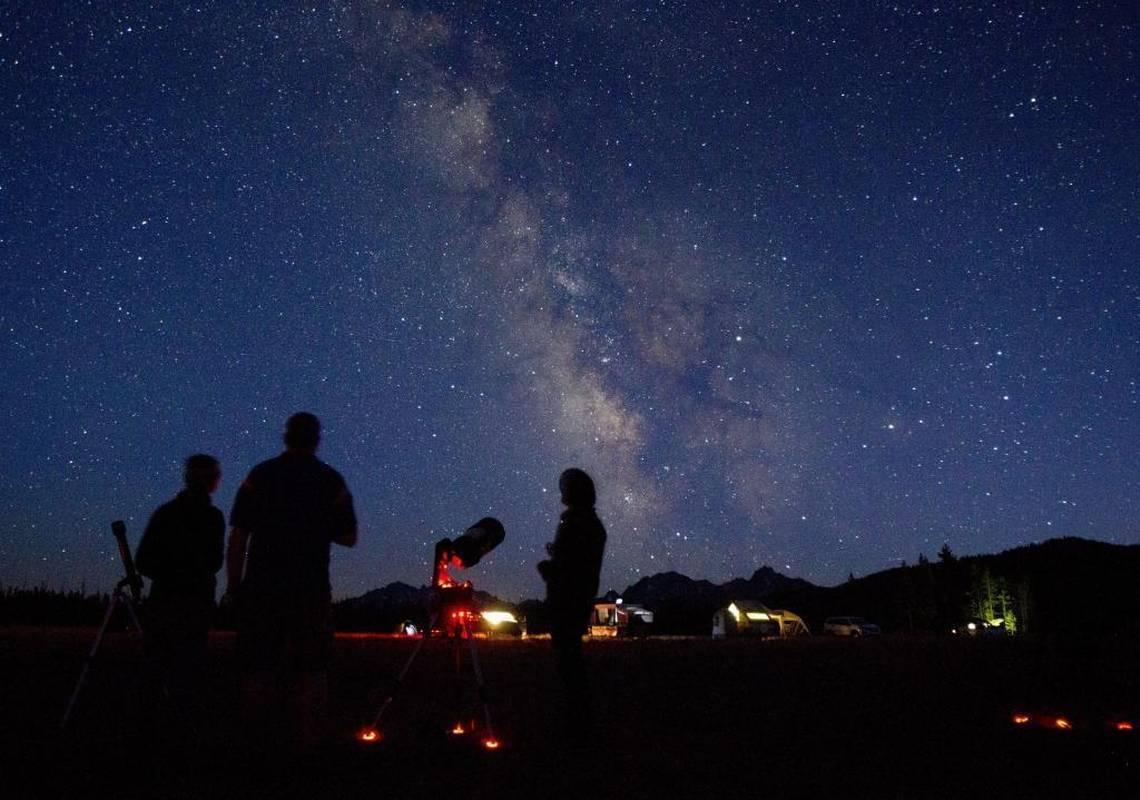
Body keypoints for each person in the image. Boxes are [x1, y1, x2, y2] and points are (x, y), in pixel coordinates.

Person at [225, 412, 357, 755]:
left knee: (257, 666)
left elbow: (238, 535)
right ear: (316, 438)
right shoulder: (331, 481)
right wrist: (314, 525)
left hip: (261, 587)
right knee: (312, 668)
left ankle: (253, 746)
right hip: (310, 588)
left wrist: (233, 585)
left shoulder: (260, 475)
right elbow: (349, 536)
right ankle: (308, 746)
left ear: (286, 437)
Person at [135, 453, 225, 748]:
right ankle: (181, 742)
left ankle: (144, 739)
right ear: (212, 481)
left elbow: (144, 560)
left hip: (162, 605)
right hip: (194, 608)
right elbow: (213, 562)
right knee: (187, 676)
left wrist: (169, 573)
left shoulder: (165, 513)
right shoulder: (212, 518)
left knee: (153, 672)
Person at [537, 468, 607, 741]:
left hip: (567, 603)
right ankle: (578, 722)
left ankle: (578, 727)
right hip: (577, 602)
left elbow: (572, 569)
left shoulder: (577, 523)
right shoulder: (589, 524)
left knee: (569, 665)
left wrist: (549, 568)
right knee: (570, 662)